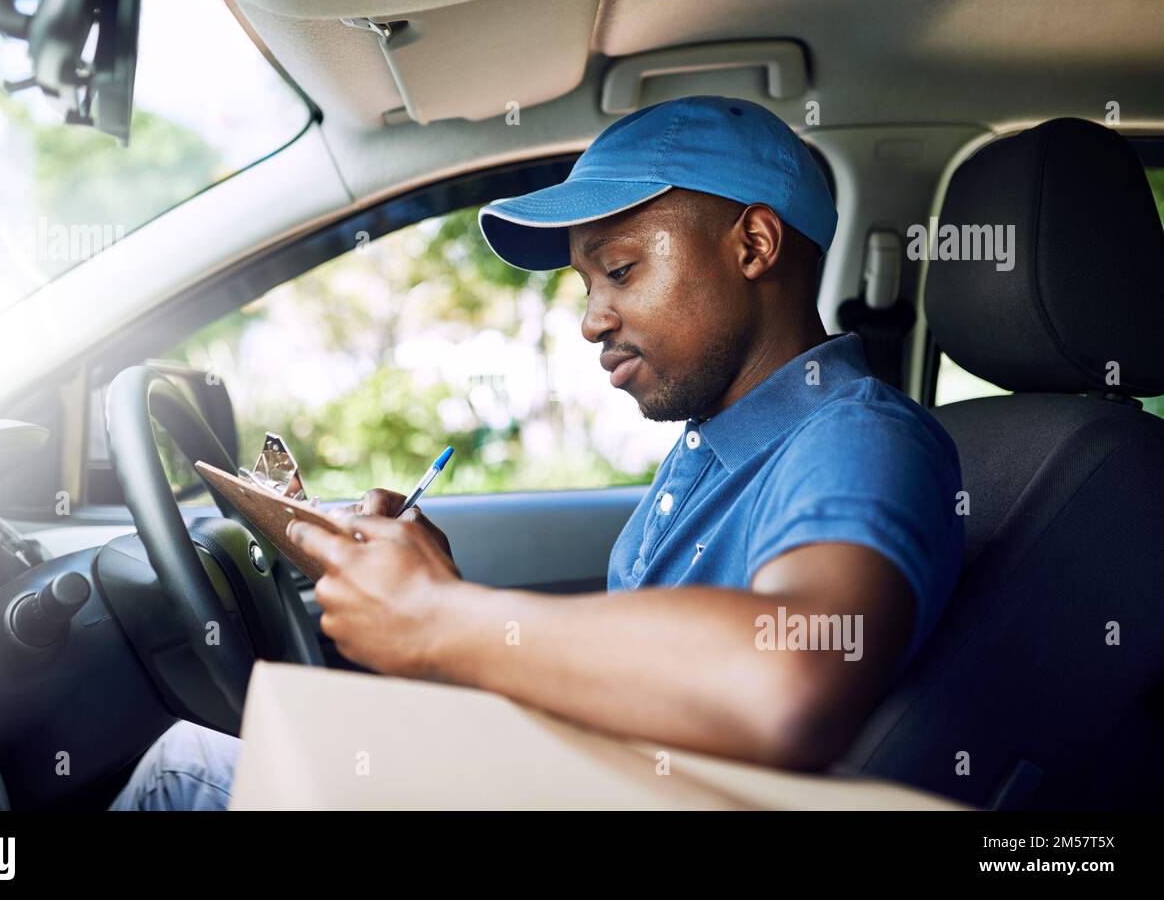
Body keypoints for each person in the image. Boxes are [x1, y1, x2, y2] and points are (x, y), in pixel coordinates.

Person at [110, 95, 962, 810]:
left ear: (753, 246)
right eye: (586, 286)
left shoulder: (855, 434)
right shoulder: (717, 446)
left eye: (620, 270)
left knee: (185, 774)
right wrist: (441, 594)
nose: (591, 318)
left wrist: (442, 622)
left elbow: (793, 677)